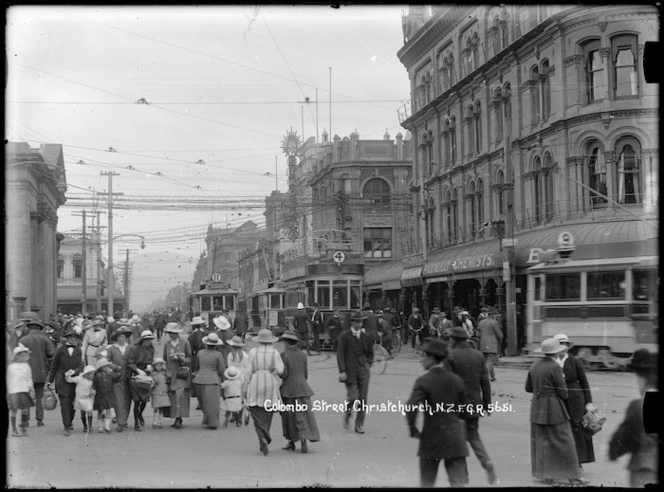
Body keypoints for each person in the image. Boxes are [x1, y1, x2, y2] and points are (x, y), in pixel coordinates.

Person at [406, 337, 469, 487]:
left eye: (423, 356)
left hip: (431, 439)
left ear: (432, 358)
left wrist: (413, 428)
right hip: (455, 440)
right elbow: (465, 411)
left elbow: (411, 407)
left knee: (427, 483)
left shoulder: (423, 381)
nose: (420, 360)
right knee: (458, 484)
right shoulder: (456, 380)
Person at [525, 338, 586, 485]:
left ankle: (547, 476)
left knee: (542, 443)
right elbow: (563, 393)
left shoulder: (534, 365)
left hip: (537, 408)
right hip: (554, 408)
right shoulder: (555, 367)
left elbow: (528, 388)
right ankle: (574, 476)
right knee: (565, 441)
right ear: (556, 353)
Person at [445, 326, 497, 485]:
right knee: (473, 436)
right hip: (475, 404)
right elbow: (485, 383)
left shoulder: (450, 356)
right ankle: (486, 461)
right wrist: (487, 405)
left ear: (453, 340)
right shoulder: (478, 355)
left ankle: (462, 477)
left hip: (456, 406)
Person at [609, 349, 658, 487]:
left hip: (645, 467)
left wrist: (614, 452)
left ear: (644, 379)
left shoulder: (638, 406)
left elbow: (622, 436)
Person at [553, 333, 596, 470]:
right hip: (559, 399)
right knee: (561, 431)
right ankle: (562, 462)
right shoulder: (552, 361)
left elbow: (584, 382)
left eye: (565, 344)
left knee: (577, 430)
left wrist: (589, 402)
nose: (563, 347)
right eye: (560, 344)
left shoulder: (574, 361)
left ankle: (578, 463)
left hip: (576, 400)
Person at [279, 330, 320, 453]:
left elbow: (284, 374)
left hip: (289, 389)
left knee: (289, 417)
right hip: (303, 388)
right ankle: (304, 439)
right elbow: (305, 374)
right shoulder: (303, 354)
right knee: (304, 415)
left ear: (286, 343)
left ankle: (292, 441)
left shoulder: (284, 355)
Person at [246, 328, 284, 456]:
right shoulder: (274, 352)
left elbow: (247, 372)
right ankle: (266, 434)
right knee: (268, 411)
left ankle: (262, 436)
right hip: (269, 380)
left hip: (256, 380)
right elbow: (280, 370)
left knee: (255, 409)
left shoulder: (252, 352)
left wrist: (245, 388)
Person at [337, 310, 373, 434]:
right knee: (352, 397)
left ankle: (359, 425)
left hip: (364, 370)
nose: (359, 324)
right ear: (352, 322)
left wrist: (368, 364)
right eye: (357, 321)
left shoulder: (365, 336)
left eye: (361, 321)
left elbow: (370, 353)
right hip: (350, 371)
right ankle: (348, 415)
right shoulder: (344, 336)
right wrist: (342, 371)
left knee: (363, 399)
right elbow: (340, 354)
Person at [16, 319, 55, 428]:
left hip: (25, 372)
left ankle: (25, 420)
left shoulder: (23, 340)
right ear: (39, 328)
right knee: (39, 396)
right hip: (41, 371)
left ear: (29, 328)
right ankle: (39, 420)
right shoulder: (44, 339)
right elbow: (51, 353)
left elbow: (17, 356)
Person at [47, 328, 85, 436]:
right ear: (67, 339)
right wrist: (50, 381)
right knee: (65, 403)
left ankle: (70, 421)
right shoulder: (60, 350)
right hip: (62, 380)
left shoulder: (79, 351)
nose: (73, 340)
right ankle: (66, 426)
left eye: (75, 338)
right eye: (71, 338)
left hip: (74, 381)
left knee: (72, 404)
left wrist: (75, 371)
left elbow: (81, 365)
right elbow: (54, 366)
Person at [193, 332, 226, 430]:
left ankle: (207, 420)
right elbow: (222, 369)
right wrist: (221, 379)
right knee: (213, 403)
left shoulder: (200, 353)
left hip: (199, 379)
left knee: (203, 402)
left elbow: (197, 366)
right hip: (213, 380)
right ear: (216, 345)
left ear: (206, 343)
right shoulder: (218, 355)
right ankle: (213, 422)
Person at [162, 322, 192, 429]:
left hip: (181, 373)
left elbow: (189, 358)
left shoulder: (185, 343)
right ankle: (175, 416)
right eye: (169, 333)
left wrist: (182, 359)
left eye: (173, 333)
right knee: (173, 396)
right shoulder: (167, 344)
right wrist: (166, 371)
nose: (171, 335)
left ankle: (179, 418)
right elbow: (164, 360)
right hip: (171, 373)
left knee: (180, 396)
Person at [106, 326, 134, 432]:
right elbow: (107, 361)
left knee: (127, 399)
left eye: (123, 337)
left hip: (128, 376)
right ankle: (120, 422)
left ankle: (124, 419)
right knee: (118, 400)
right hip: (117, 377)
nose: (121, 339)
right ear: (116, 338)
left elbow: (134, 360)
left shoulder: (130, 348)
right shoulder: (112, 348)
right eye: (119, 337)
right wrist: (114, 367)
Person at [127, 330, 156, 431]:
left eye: (150, 340)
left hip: (146, 374)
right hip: (135, 374)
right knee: (137, 400)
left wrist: (150, 366)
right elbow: (130, 362)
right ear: (142, 340)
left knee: (144, 400)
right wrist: (138, 370)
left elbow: (152, 361)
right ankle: (136, 423)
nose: (148, 342)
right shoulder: (135, 349)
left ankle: (140, 414)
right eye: (146, 340)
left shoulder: (151, 349)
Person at [7, 344, 35, 437]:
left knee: (25, 410)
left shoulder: (27, 367)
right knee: (14, 410)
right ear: (16, 356)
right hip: (14, 390)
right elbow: (8, 379)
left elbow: (29, 378)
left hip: (24, 390)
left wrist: (30, 388)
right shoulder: (11, 367)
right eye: (22, 355)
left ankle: (23, 424)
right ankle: (14, 429)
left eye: (25, 355)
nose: (24, 357)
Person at [65, 365, 97, 433]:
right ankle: (85, 426)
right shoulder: (79, 379)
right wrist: (68, 375)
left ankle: (90, 425)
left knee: (89, 411)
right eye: (91, 374)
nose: (93, 375)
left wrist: (93, 392)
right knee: (83, 412)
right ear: (87, 374)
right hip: (80, 398)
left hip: (88, 398)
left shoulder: (91, 381)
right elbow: (70, 380)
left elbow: (94, 389)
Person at [92, 357, 117, 433]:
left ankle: (107, 426)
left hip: (109, 394)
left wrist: (113, 371)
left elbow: (116, 377)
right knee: (100, 410)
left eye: (107, 366)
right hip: (100, 394)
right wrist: (93, 390)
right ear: (101, 368)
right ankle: (100, 426)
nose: (107, 367)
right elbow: (94, 383)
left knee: (108, 409)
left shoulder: (110, 374)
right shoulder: (97, 375)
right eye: (105, 366)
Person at [477, 308, 503, 382]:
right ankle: (484, 376)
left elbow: (478, 333)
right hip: (491, 343)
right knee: (490, 360)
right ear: (493, 315)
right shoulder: (494, 323)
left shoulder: (481, 322)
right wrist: (500, 341)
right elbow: (499, 334)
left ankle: (492, 376)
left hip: (482, 343)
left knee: (487, 360)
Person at [150, 357, 170, 429]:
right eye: (157, 365)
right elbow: (150, 383)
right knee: (156, 407)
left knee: (161, 408)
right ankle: (154, 421)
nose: (159, 367)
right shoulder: (152, 374)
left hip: (163, 392)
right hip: (156, 392)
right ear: (154, 366)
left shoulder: (164, 374)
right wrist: (153, 384)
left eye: (160, 365)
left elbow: (168, 380)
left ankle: (160, 422)